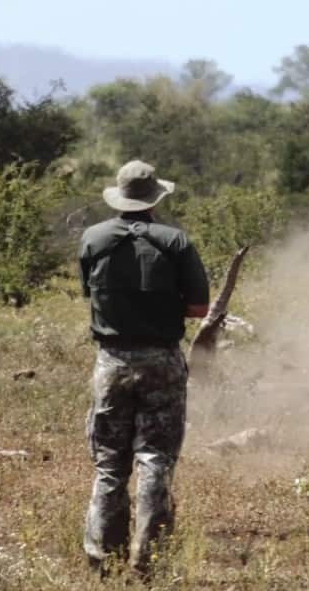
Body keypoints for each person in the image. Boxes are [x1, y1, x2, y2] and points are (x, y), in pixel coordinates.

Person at [78, 160, 209, 577]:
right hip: (162, 360)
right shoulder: (175, 242)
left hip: (111, 362)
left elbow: (89, 292)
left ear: (120, 195)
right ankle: (146, 560)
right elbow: (199, 307)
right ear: (156, 197)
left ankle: (101, 560)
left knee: (109, 463)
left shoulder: (93, 238)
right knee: (155, 458)